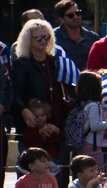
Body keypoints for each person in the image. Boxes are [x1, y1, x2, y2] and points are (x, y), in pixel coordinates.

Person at [11, 20, 74, 154]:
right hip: (33, 125)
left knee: (58, 163)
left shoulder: (55, 59)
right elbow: (15, 92)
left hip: (56, 122)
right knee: (31, 162)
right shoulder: (22, 63)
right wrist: (23, 110)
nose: (43, 41)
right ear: (28, 39)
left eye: (47, 37)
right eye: (38, 38)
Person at [53, 0, 99, 70]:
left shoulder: (93, 37)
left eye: (78, 13)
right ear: (61, 19)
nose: (76, 17)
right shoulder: (53, 38)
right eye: (71, 15)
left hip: (88, 76)